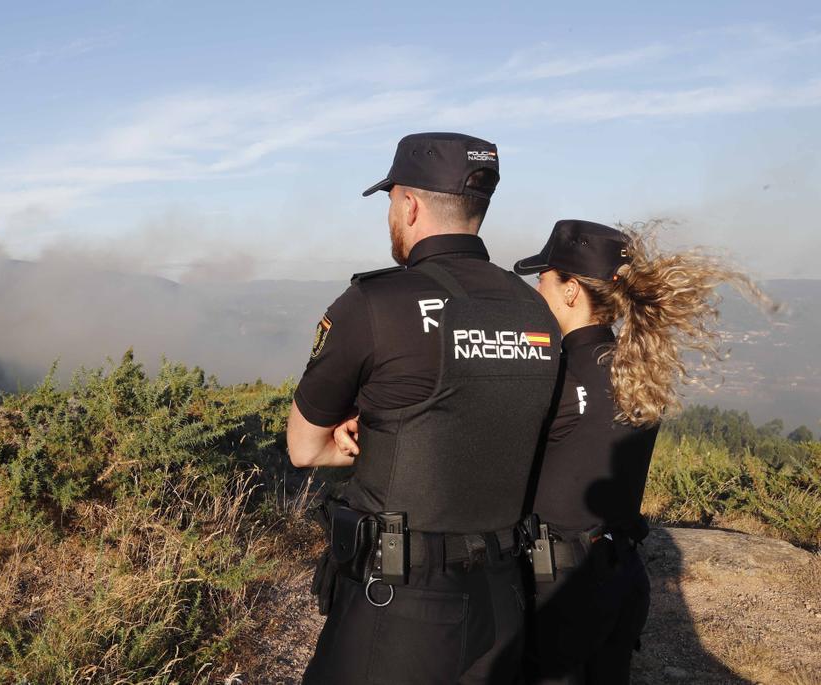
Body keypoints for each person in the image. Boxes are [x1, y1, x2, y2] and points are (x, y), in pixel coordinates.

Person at [287, 132, 562, 684]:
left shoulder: (375, 304)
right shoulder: (534, 307)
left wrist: (370, 437)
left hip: (401, 607)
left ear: (409, 204)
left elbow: (303, 447)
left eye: (391, 201)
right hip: (504, 599)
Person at [508, 219, 775, 684]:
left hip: (559, 589)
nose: (537, 288)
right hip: (620, 579)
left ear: (572, 290)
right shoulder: (639, 369)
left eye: (544, 277)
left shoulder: (557, 375)